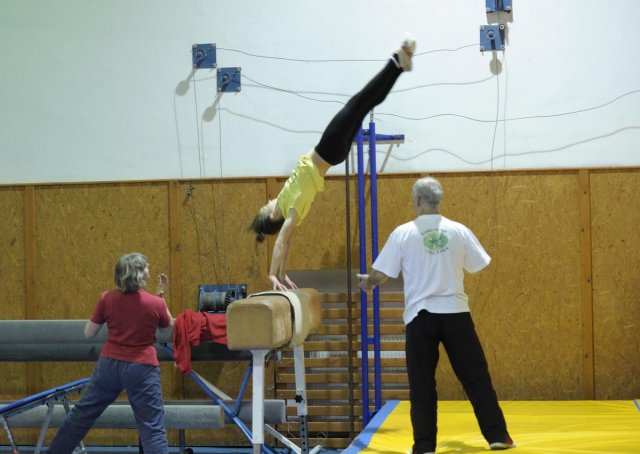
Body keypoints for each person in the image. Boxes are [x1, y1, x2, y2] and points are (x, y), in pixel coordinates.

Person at [357, 177, 515, 454]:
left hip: (420, 317)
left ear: (417, 200)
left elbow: (381, 274)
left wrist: (368, 282)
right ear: (438, 201)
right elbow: (478, 264)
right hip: (456, 314)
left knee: (422, 384)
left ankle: (425, 446)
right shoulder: (459, 231)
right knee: (476, 378)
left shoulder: (403, 233)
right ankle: (498, 436)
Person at [249, 38, 417, 291]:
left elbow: (288, 244)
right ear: (273, 214)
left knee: (365, 104)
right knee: (359, 102)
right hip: (327, 149)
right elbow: (282, 241)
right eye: (266, 206)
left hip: (333, 153)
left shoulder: (289, 205)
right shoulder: (291, 209)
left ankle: (399, 65)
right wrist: (272, 275)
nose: (269, 200)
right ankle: (395, 62)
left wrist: (283, 274)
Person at [46, 253, 174, 454]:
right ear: (139, 273)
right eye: (146, 266)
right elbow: (167, 332)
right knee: (151, 428)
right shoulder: (155, 304)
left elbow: (89, 333)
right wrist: (161, 299)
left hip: (110, 366)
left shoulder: (106, 298)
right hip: (142, 368)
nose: (150, 269)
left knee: (81, 416)